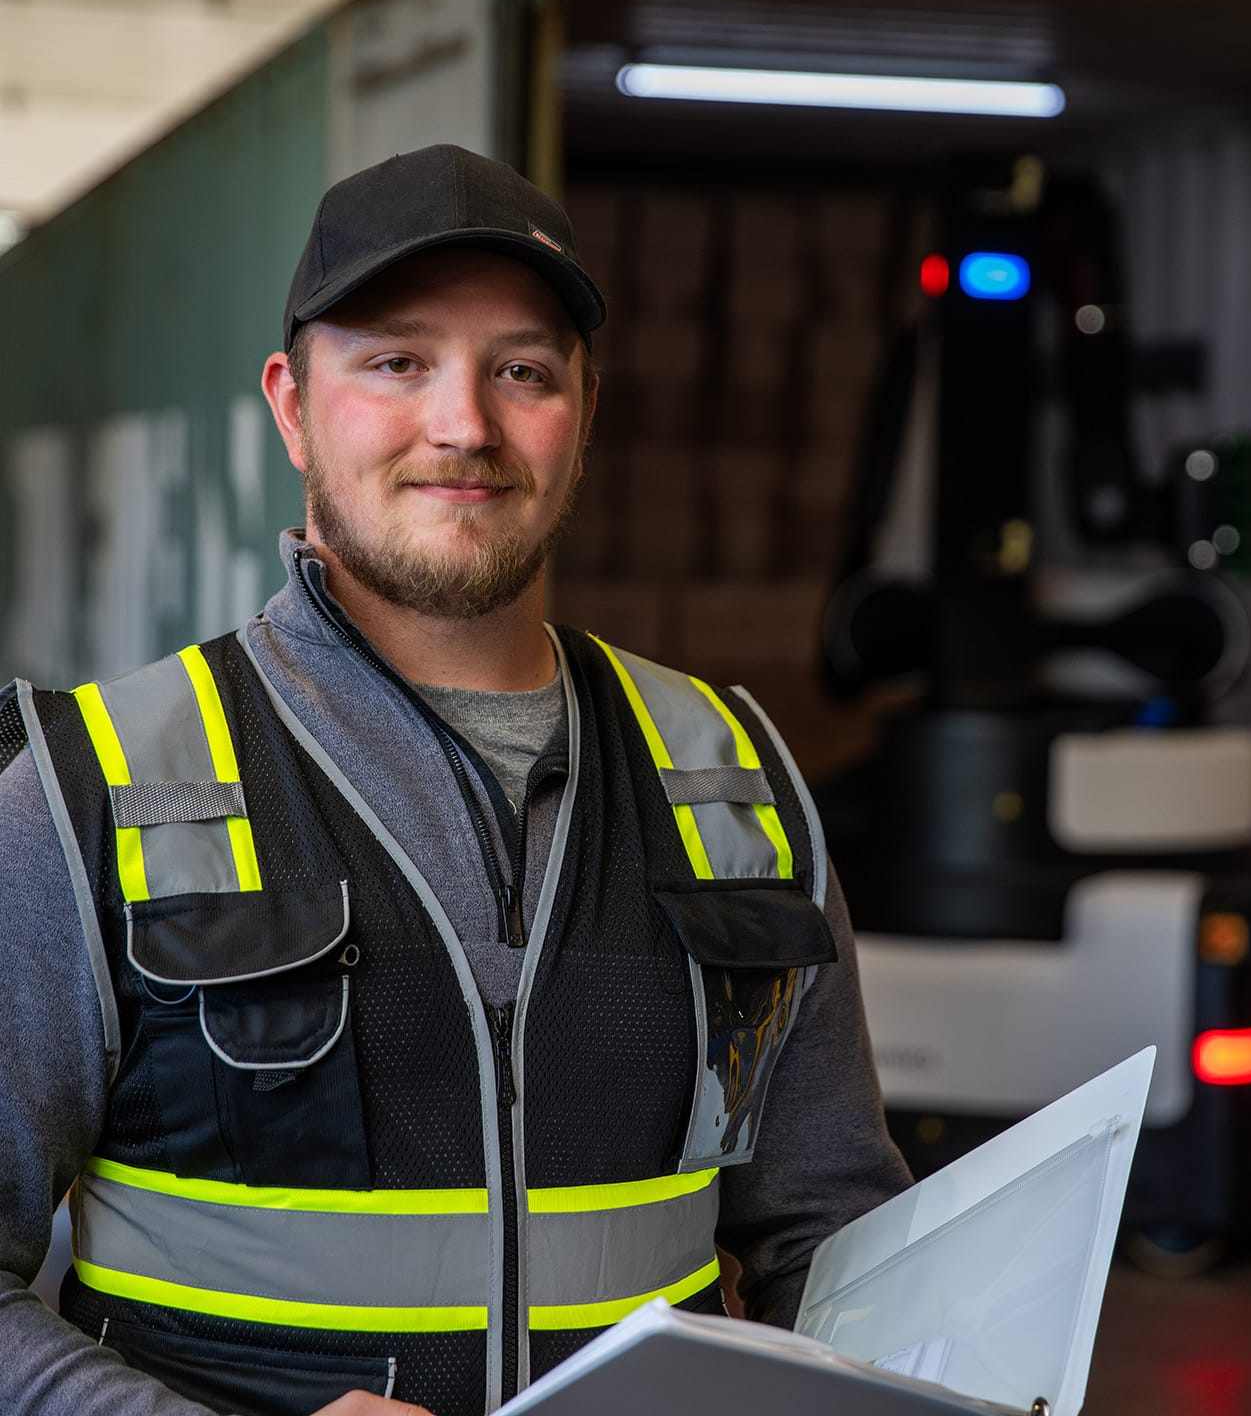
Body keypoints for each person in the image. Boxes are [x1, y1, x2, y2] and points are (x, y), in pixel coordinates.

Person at [0, 144, 911, 1416]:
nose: (464, 425)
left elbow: (840, 1246)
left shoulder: (736, 778)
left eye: (521, 370)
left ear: (586, 412)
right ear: (290, 404)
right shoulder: (90, 789)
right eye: (396, 361)